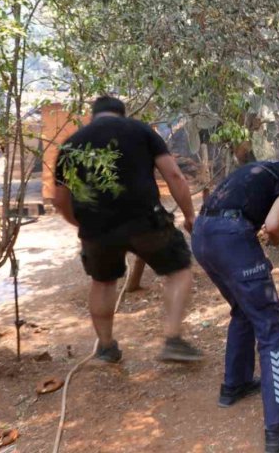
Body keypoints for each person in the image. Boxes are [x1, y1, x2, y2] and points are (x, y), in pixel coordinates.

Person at [191, 133, 279, 453]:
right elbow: (275, 225)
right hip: (232, 238)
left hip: (203, 235)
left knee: (243, 309)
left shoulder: (262, 168)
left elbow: (272, 230)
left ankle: (234, 385)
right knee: (271, 327)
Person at [53, 95, 203, 364]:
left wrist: (79, 222)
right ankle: (173, 339)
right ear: (120, 114)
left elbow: (59, 198)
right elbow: (175, 175)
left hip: (97, 228)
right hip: (145, 221)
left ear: (93, 115)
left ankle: (107, 347)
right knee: (179, 270)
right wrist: (190, 215)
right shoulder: (141, 130)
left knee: (102, 282)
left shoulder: (72, 143)